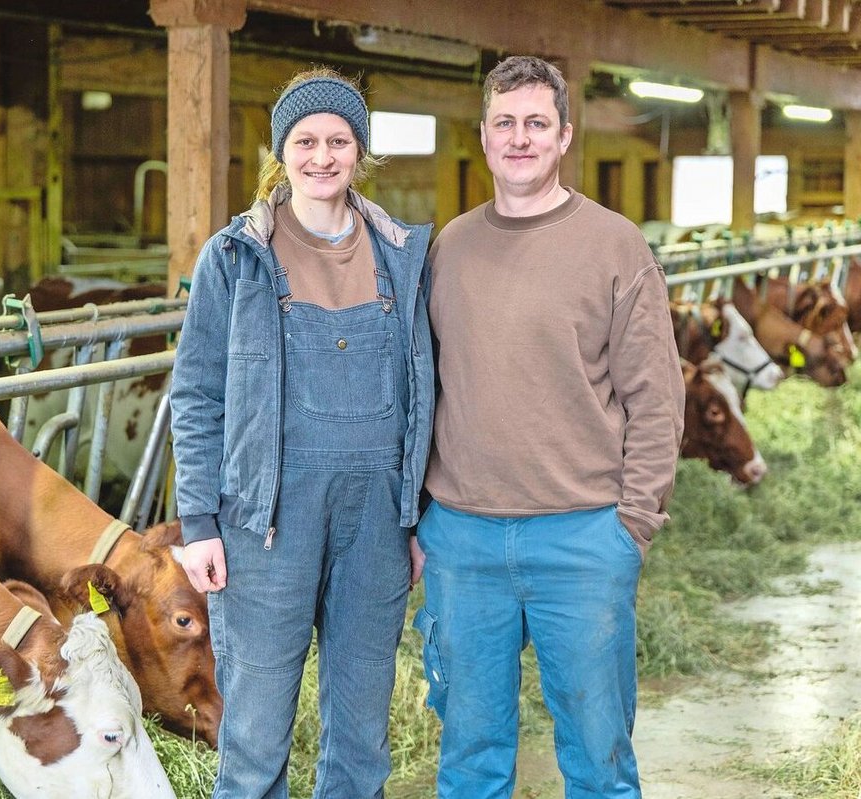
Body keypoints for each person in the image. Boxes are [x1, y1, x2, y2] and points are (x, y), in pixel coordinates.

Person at [415, 55, 685, 799]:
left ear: (565, 135)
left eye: (537, 123)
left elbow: (656, 396)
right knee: (470, 756)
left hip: (584, 536)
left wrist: (633, 522)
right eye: (506, 123)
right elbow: (423, 387)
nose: (520, 138)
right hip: (464, 540)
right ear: (482, 135)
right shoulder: (450, 248)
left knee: (599, 757)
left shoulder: (614, 245)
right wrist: (421, 519)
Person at [169, 67, 436, 799]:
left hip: (378, 520)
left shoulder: (402, 255)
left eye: (339, 140)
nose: (323, 156)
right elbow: (195, 394)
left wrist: (420, 513)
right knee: (254, 736)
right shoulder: (235, 256)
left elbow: (425, 392)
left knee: (362, 734)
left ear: (361, 152)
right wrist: (199, 523)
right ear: (280, 152)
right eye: (306, 140)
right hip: (264, 518)